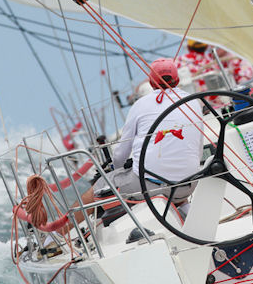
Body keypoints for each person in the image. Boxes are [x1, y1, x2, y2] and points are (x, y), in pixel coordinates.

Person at [69, 58, 204, 227]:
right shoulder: (193, 101)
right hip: (189, 185)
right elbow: (197, 150)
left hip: (152, 187)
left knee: (100, 186)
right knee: (172, 179)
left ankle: (53, 238)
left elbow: (121, 153)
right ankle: (188, 216)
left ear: (151, 82)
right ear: (177, 80)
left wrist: (117, 170)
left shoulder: (140, 105)